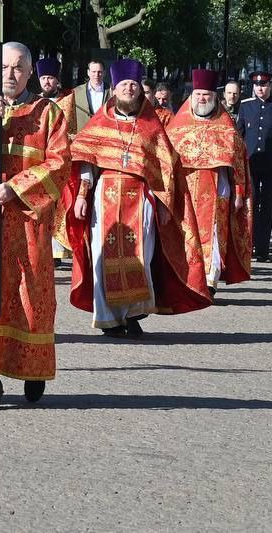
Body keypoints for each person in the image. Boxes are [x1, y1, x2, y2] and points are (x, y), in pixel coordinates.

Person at [0, 42, 69, 410]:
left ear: (30, 72)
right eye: (5, 67)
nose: (11, 74)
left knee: (30, 290)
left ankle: (33, 368)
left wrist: (17, 187)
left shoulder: (49, 113)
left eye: (19, 68)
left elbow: (60, 163)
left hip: (28, 219)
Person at [66, 57, 212, 336]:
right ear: (114, 87)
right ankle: (109, 318)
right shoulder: (100, 123)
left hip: (141, 199)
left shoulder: (150, 124)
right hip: (104, 196)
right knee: (102, 256)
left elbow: (166, 167)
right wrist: (82, 195)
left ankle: (133, 314)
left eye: (134, 85)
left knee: (140, 257)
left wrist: (165, 203)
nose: (130, 89)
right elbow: (85, 161)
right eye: (124, 85)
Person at [165, 69, 252, 294]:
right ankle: (189, 278)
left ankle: (210, 280)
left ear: (214, 98)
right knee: (186, 235)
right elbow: (166, 162)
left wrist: (239, 193)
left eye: (206, 95)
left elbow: (239, 163)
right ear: (191, 97)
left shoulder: (226, 128)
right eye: (198, 95)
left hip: (217, 191)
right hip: (187, 190)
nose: (202, 99)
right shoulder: (177, 127)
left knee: (215, 235)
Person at [236, 70, 272, 264]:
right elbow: (238, 137)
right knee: (251, 205)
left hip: (271, 165)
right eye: (257, 85)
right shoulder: (246, 106)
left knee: (267, 207)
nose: (259, 88)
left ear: (270, 86)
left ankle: (263, 249)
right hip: (250, 163)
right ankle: (249, 245)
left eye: (263, 85)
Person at [36, 56, 76, 266]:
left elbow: (71, 133)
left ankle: (57, 251)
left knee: (57, 206)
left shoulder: (67, 101)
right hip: (37, 162)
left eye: (50, 78)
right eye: (44, 78)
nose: (47, 82)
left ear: (57, 80)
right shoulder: (34, 102)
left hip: (58, 161)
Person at [71, 60, 109, 134]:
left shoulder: (112, 92)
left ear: (104, 73)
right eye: (93, 72)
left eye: (99, 72)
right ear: (88, 72)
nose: (96, 75)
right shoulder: (76, 92)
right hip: (82, 137)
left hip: (104, 135)